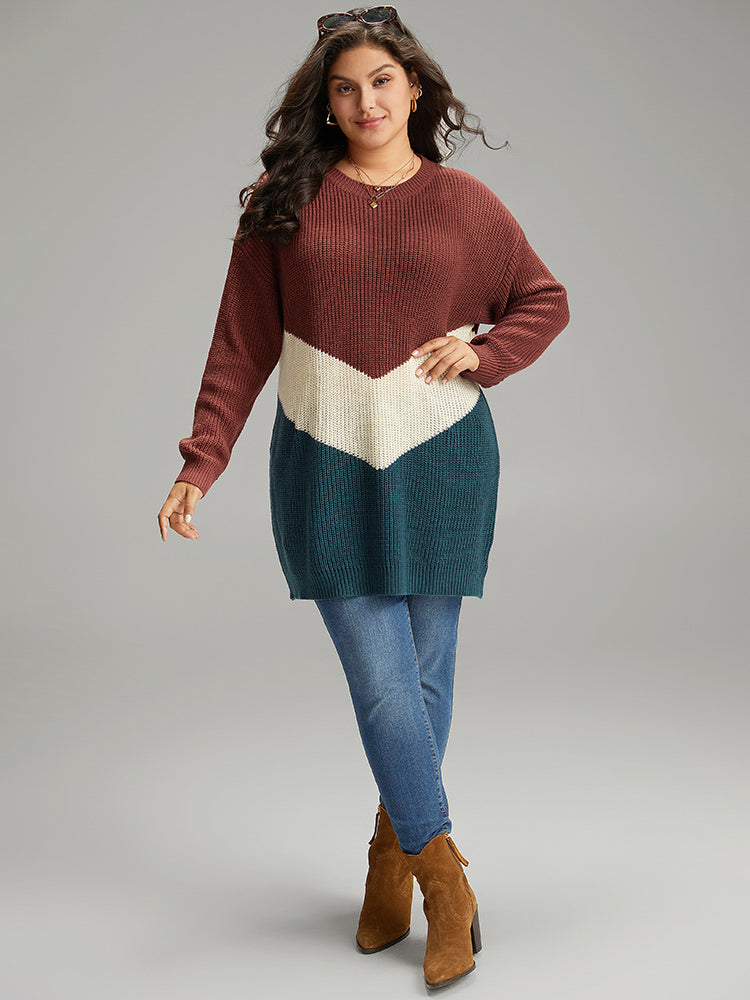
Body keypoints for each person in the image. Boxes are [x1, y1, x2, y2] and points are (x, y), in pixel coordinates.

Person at [157, 6, 569, 990]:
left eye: (382, 81)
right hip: (324, 463)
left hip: (443, 463)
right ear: (326, 103)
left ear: (414, 88)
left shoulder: (464, 204)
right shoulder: (284, 204)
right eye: (345, 88)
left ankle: (391, 857)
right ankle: (446, 880)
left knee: (424, 683)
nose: (366, 101)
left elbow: (543, 299)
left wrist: (484, 353)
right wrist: (200, 460)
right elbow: (241, 341)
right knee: (386, 685)